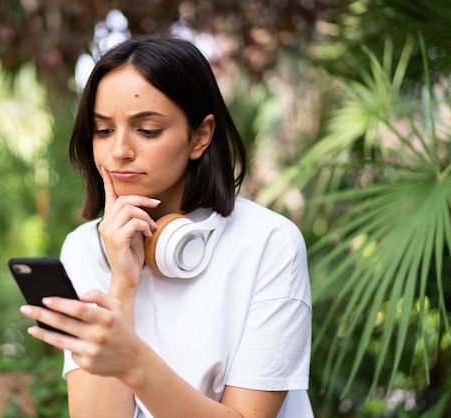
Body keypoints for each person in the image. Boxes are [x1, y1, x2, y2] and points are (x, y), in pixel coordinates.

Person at [19, 34, 313, 418]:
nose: (119, 150)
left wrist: (132, 362)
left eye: (148, 130)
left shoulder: (268, 243)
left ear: (200, 136)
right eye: (104, 130)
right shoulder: (84, 248)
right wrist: (121, 287)